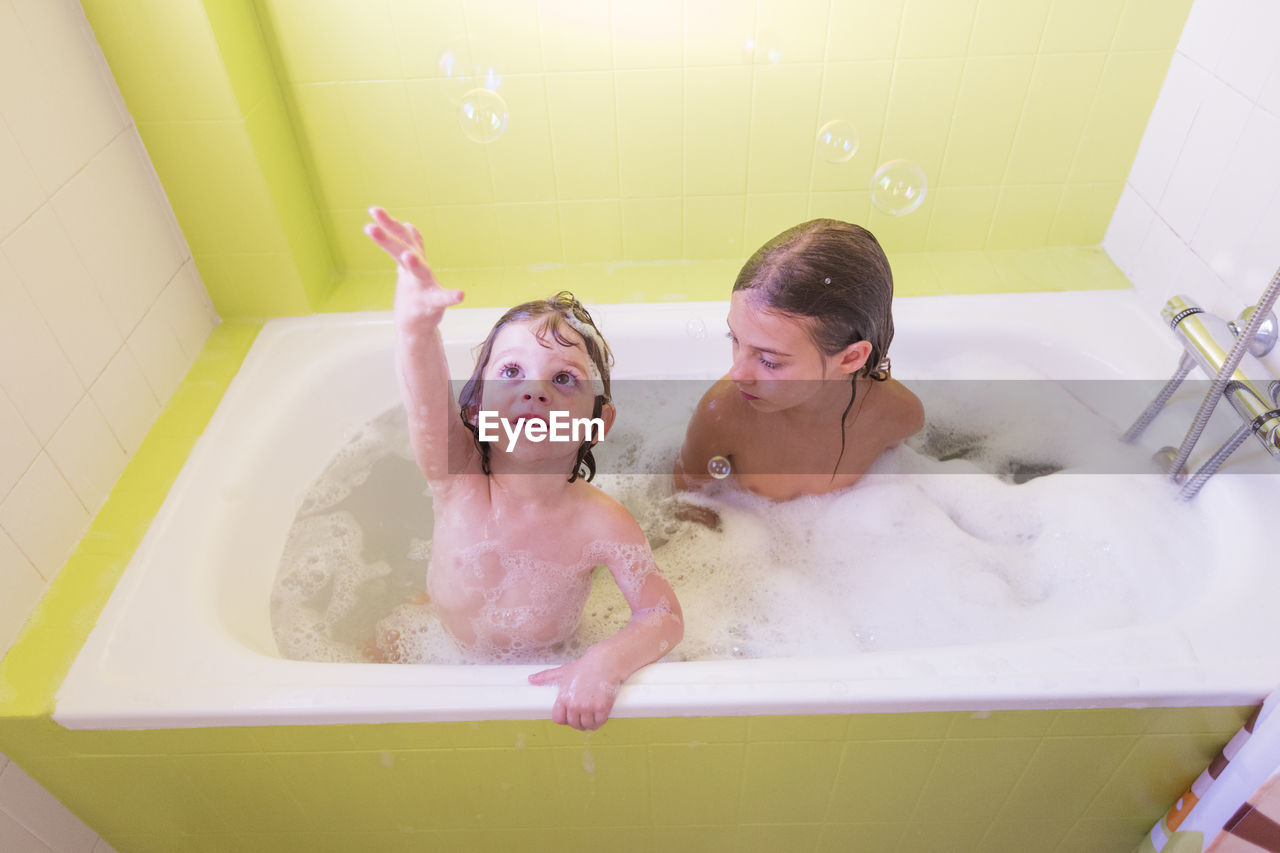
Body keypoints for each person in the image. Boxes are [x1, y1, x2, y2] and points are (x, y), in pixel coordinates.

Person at [364, 206, 683, 731]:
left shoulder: (604, 523)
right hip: (432, 635)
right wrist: (416, 328)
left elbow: (663, 615)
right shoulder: (459, 480)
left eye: (564, 379)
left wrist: (605, 660)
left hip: (536, 669)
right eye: (511, 371)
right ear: (474, 410)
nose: (534, 388)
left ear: (598, 425)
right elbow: (423, 397)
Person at [674, 219, 924, 501]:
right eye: (733, 338)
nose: (737, 373)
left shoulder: (900, 415)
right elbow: (688, 505)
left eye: (769, 361)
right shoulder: (722, 415)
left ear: (851, 357)